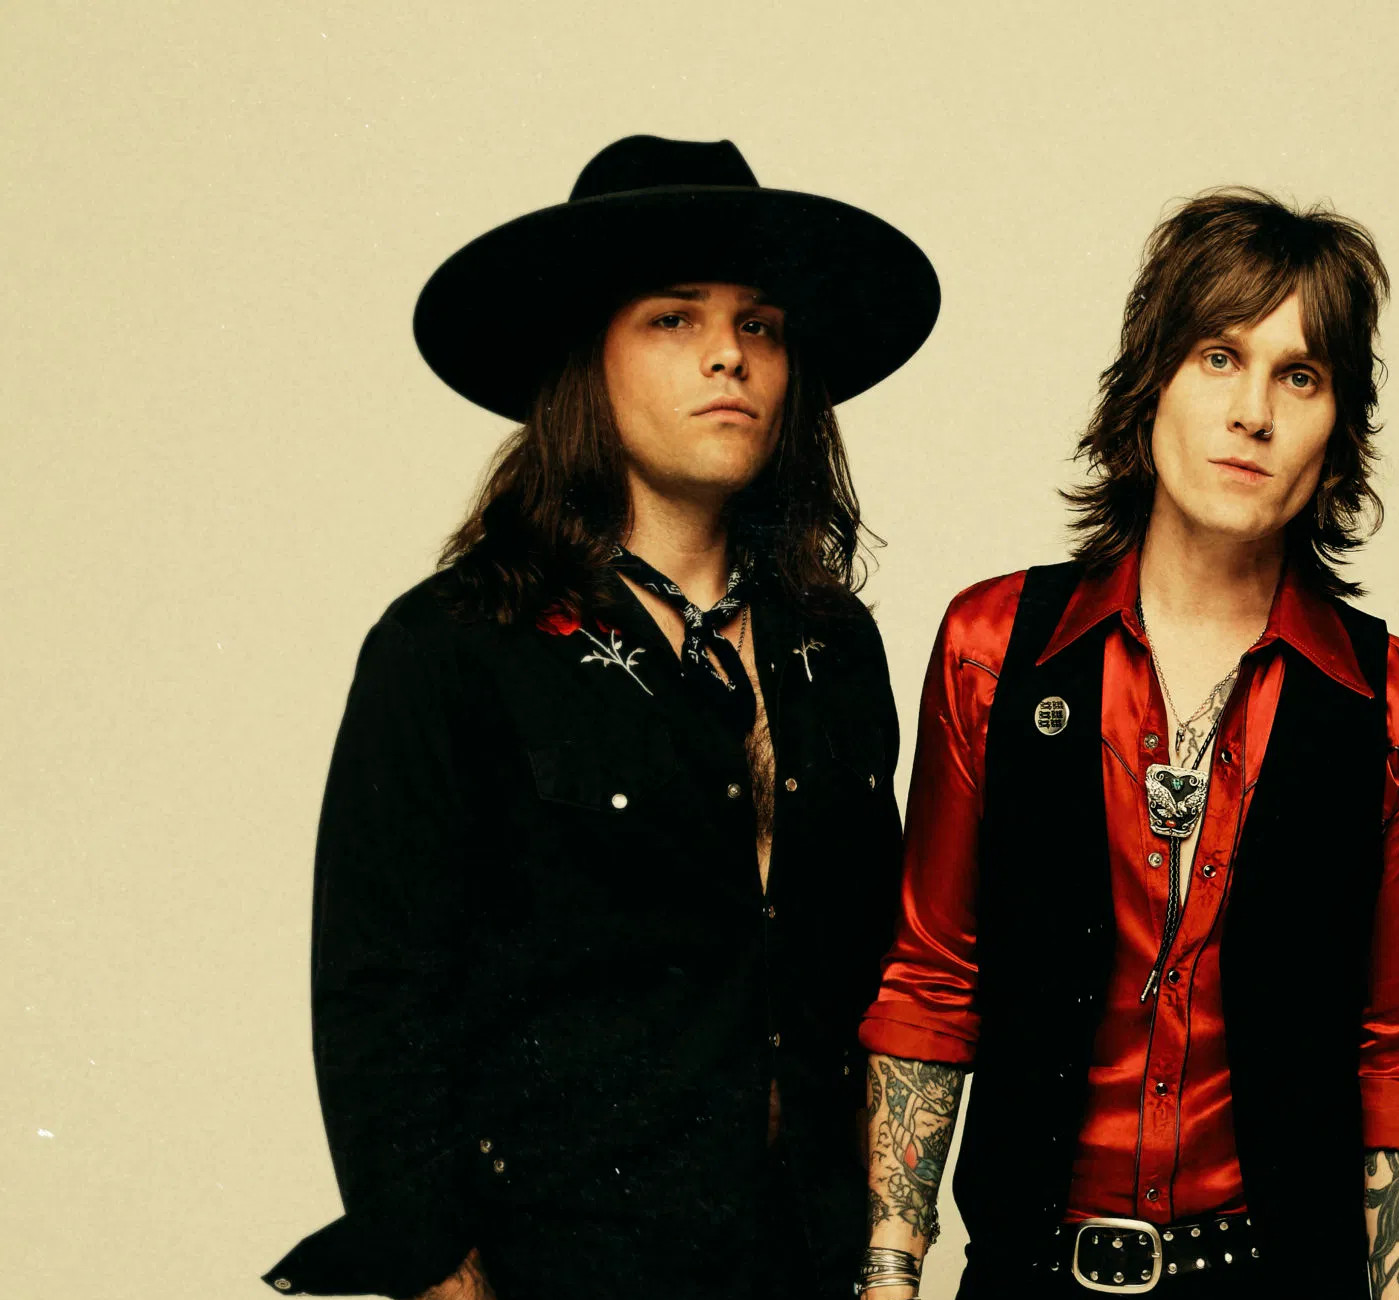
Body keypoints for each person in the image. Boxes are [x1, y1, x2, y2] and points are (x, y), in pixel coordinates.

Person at [261, 135, 939, 1299]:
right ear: (588, 358)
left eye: (761, 324)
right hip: (560, 1264)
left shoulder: (832, 647)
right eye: (674, 318)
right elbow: (375, 1002)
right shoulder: (455, 645)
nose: (729, 354)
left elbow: (880, 972)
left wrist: (883, 1255)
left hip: (802, 1261)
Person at [853, 190, 1399, 1299]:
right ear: (1150, 388)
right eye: (1218, 358)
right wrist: (892, 1275)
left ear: (1338, 437)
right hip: (1031, 1275)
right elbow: (932, 979)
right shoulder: (992, 648)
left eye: (1300, 376)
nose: (1253, 414)